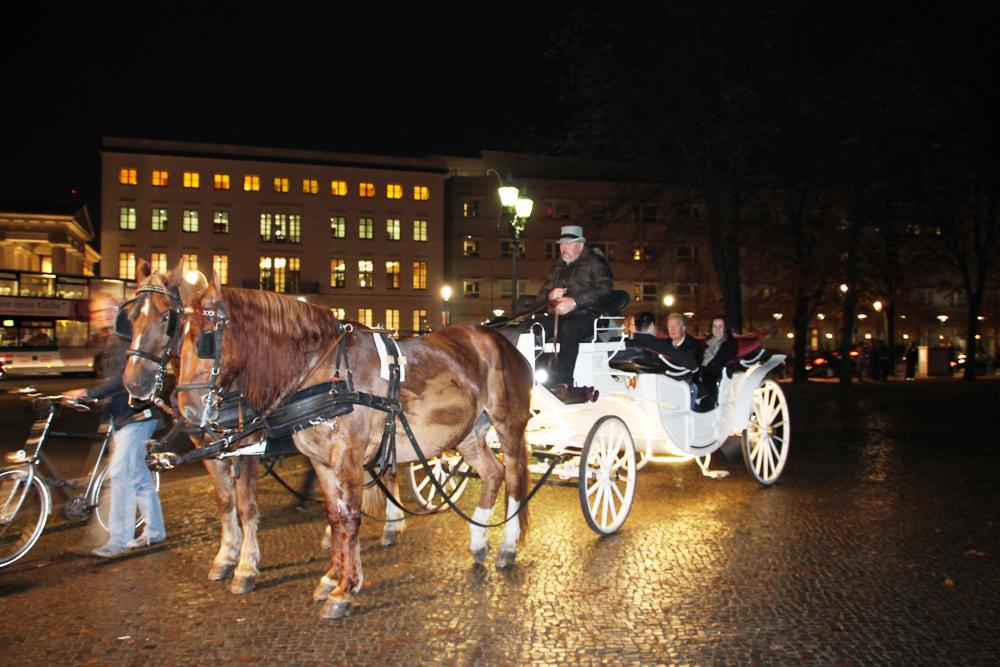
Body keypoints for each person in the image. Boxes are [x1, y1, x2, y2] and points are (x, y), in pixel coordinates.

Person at [66, 293, 166, 558]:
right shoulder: (111, 339)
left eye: (111, 308)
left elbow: (122, 379)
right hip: (122, 417)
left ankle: (118, 540)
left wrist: (88, 392)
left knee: (120, 475)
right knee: (138, 476)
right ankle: (155, 530)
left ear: (120, 309)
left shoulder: (126, 338)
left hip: (138, 416)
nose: (106, 314)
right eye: (100, 311)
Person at [533, 225, 613, 386]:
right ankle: (533, 374)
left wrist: (574, 302)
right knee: (532, 327)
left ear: (580, 246)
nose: (564, 248)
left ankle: (563, 382)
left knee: (568, 330)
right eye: (562, 245)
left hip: (590, 315)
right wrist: (550, 295)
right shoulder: (558, 267)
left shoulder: (594, 261)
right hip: (560, 316)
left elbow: (605, 289)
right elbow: (540, 297)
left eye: (568, 244)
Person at [624, 311, 697, 370]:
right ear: (652, 326)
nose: (672, 329)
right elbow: (692, 364)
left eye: (675, 326)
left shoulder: (623, 344)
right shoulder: (660, 346)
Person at [698, 316, 739, 407]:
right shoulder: (707, 342)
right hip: (702, 371)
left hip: (716, 373)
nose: (717, 329)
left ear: (725, 328)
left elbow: (724, 359)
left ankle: (707, 402)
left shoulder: (730, 343)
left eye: (720, 326)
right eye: (715, 326)